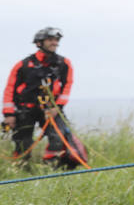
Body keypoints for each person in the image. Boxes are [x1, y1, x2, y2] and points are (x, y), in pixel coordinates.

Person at [4, 27, 81, 167]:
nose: (55, 43)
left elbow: (67, 86)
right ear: (39, 43)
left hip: (51, 109)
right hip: (26, 109)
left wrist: (57, 107)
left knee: (58, 137)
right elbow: (10, 88)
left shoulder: (64, 64)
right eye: (50, 40)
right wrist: (9, 114)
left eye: (56, 40)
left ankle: (51, 168)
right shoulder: (24, 65)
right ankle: (20, 168)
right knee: (23, 141)